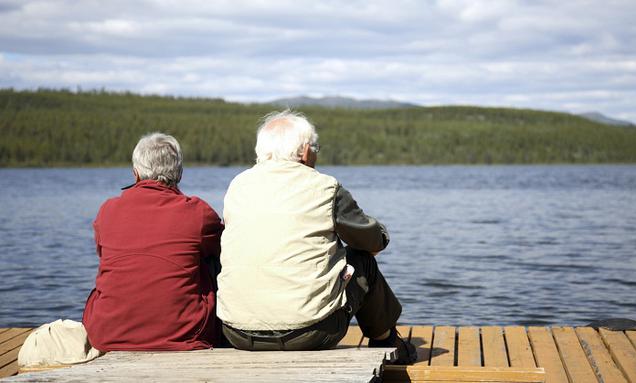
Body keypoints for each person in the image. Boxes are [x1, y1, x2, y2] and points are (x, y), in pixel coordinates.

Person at [217, 111, 416, 364]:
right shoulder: (324, 186)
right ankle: (386, 340)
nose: (316, 153)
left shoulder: (237, 185)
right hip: (310, 333)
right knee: (362, 260)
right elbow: (372, 240)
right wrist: (379, 238)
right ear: (304, 151)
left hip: (237, 333)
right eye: (315, 147)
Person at [82, 133, 224, 351]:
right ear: (179, 173)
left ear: (135, 173)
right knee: (214, 257)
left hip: (106, 334)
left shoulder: (108, 210)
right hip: (183, 335)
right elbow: (224, 248)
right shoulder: (197, 212)